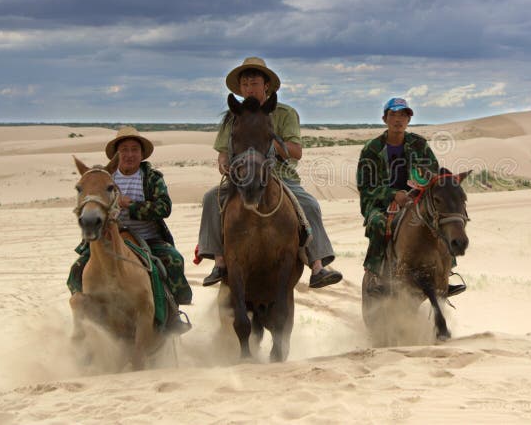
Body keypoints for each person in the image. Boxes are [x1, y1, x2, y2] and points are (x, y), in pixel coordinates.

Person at [195, 56, 342, 289]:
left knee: (310, 205)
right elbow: (223, 152)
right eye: (245, 84)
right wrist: (224, 163)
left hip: (280, 176)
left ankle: (317, 266)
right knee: (211, 198)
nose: (249, 88)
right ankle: (219, 261)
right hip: (241, 177)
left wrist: (265, 138)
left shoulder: (284, 113)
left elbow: (296, 151)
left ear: (266, 86)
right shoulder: (233, 117)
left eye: (254, 83)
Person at [67, 126, 193, 307]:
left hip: (148, 239)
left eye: (134, 150)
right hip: (109, 239)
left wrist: (131, 206)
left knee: (174, 259)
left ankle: (173, 309)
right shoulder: (105, 178)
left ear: (142, 154)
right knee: (77, 269)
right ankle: (83, 309)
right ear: (117, 155)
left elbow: (164, 207)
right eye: (124, 150)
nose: (129, 154)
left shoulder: (151, 177)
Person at [356, 97, 466, 296]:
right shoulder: (371, 149)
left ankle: (446, 274)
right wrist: (393, 194)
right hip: (379, 202)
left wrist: (420, 191)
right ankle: (377, 274)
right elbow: (366, 186)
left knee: (442, 220)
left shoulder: (419, 144)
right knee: (380, 224)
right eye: (393, 115)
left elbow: (433, 174)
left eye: (403, 115)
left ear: (408, 120)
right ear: (384, 118)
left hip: (416, 199)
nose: (398, 119)